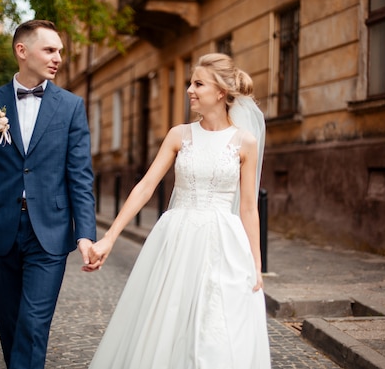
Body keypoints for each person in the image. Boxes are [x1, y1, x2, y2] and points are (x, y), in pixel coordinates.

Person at [83, 53, 271, 368]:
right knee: (167, 322)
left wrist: (257, 263)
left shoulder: (245, 143)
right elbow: (144, 187)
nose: (189, 90)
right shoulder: (179, 135)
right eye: (190, 82)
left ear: (221, 92)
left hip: (224, 245)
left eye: (198, 84)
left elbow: (249, 208)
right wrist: (109, 237)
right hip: (176, 241)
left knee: (216, 327)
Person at [0, 19, 97, 369]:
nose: (58, 58)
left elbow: (80, 175)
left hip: (49, 232)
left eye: (60, 50)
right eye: (50, 50)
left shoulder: (71, 106)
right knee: (10, 324)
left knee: (33, 324)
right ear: (22, 51)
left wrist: (85, 234)